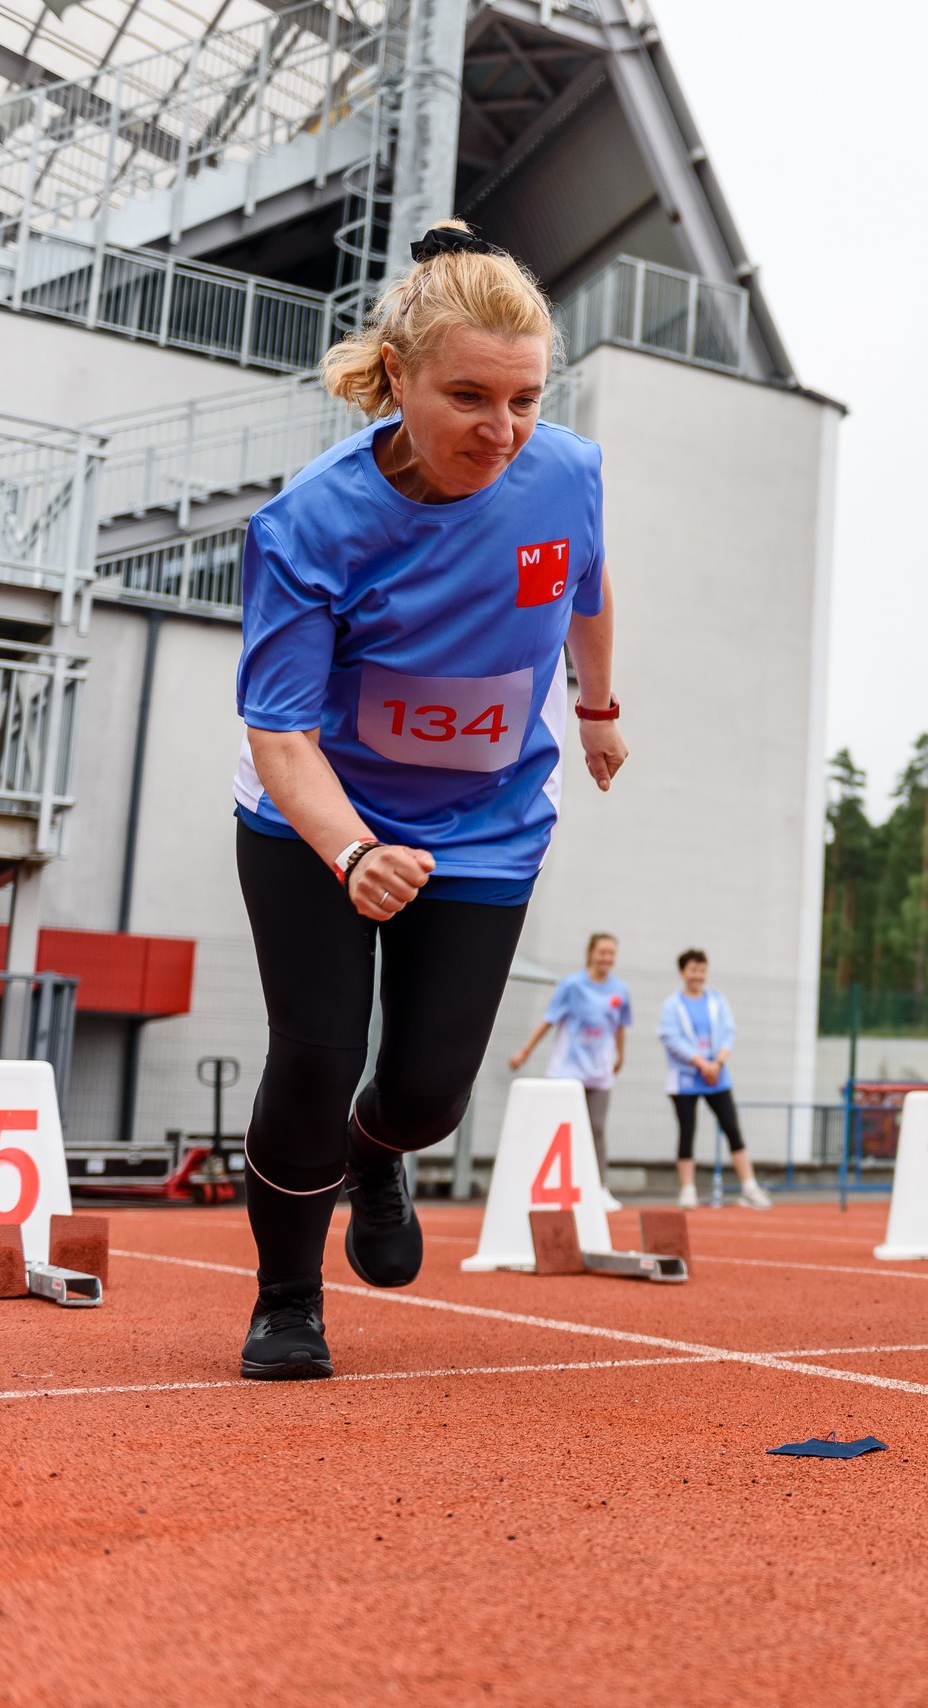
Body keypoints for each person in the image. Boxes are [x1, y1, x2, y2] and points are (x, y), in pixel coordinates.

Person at [230, 221, 625, 1380]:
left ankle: (377, 1150)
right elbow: (281, 731)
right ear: (394, 377)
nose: (500, 432)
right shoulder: (309, 522)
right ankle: (287, 1300)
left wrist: (596, 709)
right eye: (467, 397)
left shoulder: (566, 472)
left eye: (524, 399)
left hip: (488, 821)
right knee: (315, 1050)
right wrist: (353, 852)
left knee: (425, 1093)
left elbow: (590, 588)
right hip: (317, 818)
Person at [510, 932, 632, 1206]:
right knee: (560, 1129)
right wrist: (525, 1052)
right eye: (602, 952)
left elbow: (620, 1026)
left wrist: (621, 1056)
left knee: (596, 1129)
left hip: (599, 1072)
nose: (607, 958)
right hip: (567, 1072)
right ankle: (548, 1184)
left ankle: (600, 1189)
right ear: (591, 953)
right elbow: (548, 1020)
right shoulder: (572, 985)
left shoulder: (620, 990)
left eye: (611, 953)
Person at [658, 949, 769, 1211]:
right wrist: (699, 1062)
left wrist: (717, 1063)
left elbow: (729, 1033)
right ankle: (688, 1190)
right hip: (686, 1078)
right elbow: (671, 1038)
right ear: (683, 972)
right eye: (693, 970)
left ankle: (749, 1187)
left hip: (717, 1077)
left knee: (732, 1128)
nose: (697, 975)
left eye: (702, 970)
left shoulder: (718, 1001)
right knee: (687, 1132)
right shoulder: (671, 1006)